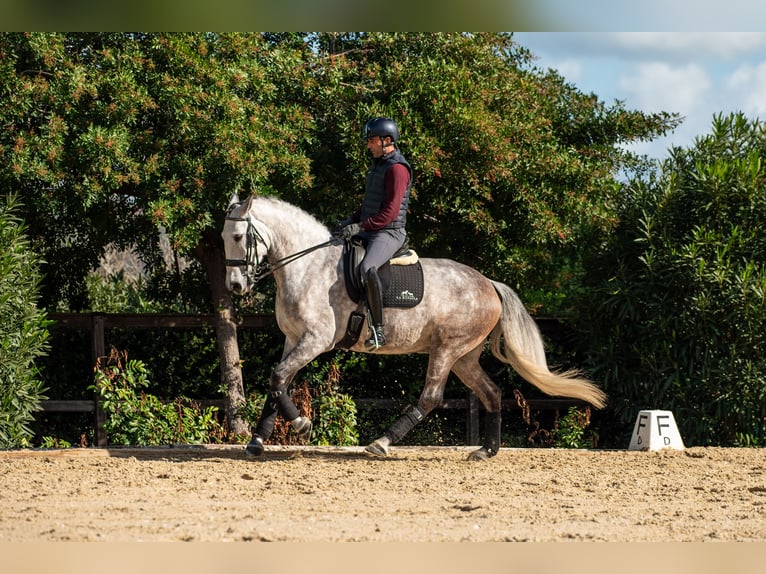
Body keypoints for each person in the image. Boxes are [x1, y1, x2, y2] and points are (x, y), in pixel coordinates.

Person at [336, 117, 413, 349]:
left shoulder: (398, 169)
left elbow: (389, 213)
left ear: (387, 140)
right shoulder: (379, 165)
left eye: (372, 141)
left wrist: (360, 227)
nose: (368, 145)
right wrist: (350, 221)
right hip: (372, 227)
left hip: (389, 232)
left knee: (368, 267)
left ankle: (378, 330)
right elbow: (370, 204)